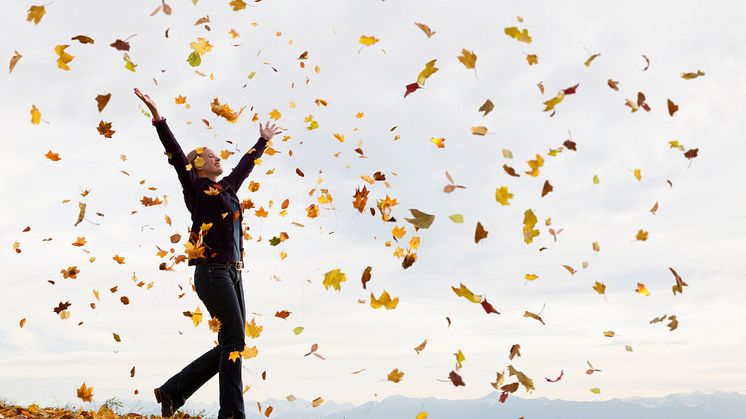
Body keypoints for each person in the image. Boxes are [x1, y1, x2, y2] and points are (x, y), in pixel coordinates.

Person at [134, 87, 281, 419]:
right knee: (234, 342)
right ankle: (230, 414)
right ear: (197, 165)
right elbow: (174, 153)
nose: (218, 159)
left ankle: (172, 392)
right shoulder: (195, 188)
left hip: (234, 273)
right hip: (212, 272)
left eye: (217, 155)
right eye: (211, 156)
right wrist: (158, 118)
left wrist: (262, 142)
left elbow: (245, 166)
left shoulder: (226, 188)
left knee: (233, 344)